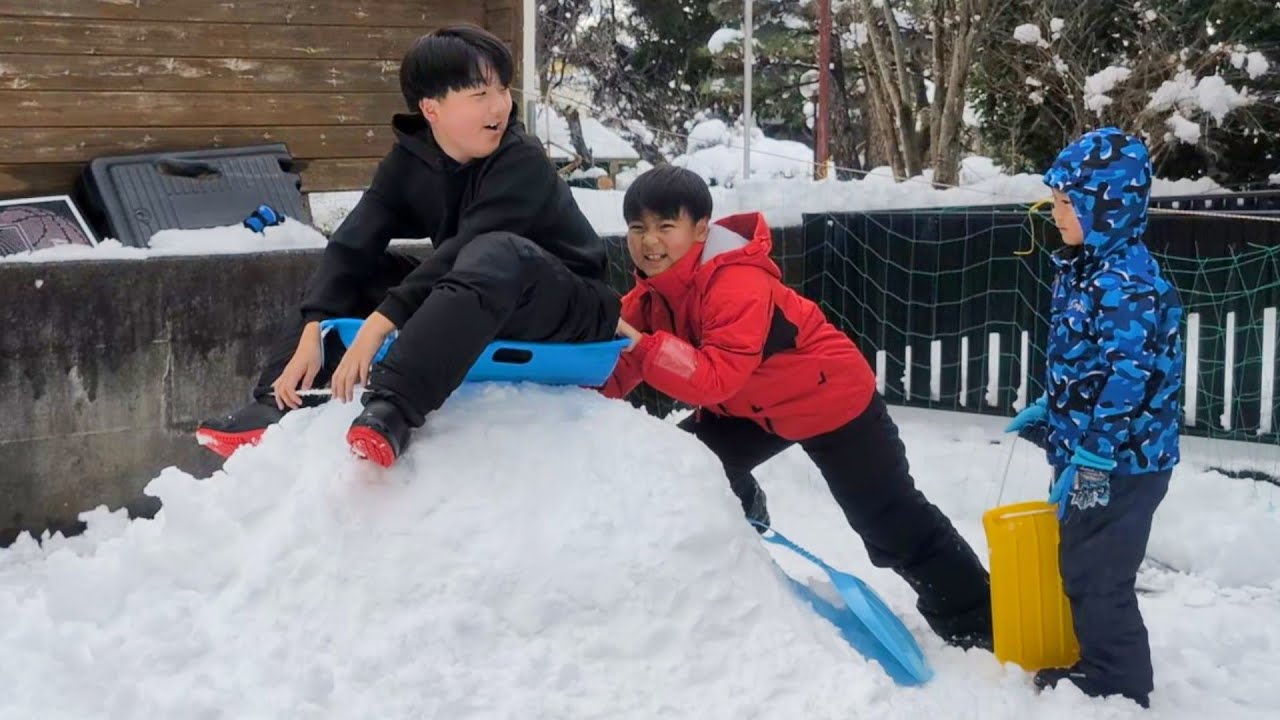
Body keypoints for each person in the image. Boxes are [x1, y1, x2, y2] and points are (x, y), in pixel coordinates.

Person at [602, 165, 993, 650]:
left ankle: (979, 623)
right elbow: (616, 370)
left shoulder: (735, 283)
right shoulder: (651, 297)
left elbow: (712, 377)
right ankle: (744, 521)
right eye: (637, 228)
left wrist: (640, 345)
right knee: (688, 465)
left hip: (830, 401)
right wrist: (560, 401)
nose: (649, 242)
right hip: (750, 409)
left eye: (665, 226)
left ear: (700, 229)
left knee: (888, 522)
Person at [196, 24, 619, 467]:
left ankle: (392, 409)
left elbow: (467, 247)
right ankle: (275, 401)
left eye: (502, 89)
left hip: (566, 303)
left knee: (493, 250)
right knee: (366, 269)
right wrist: (314, 326)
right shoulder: (409, 161)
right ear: (431, 109)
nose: (500, 106)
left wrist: (382, 322)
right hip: (473, 297)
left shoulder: (521, 160)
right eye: (480, 94)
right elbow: (352, 244)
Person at [1005, 127, 1183, 708]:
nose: (1054, 213)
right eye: (1055, 200)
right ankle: (1098, 658)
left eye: (1066, 202)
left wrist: (1096, 451)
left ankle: (1118, 680)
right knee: (1081, 558)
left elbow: (1128, 377)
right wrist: (1053, 410)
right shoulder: (1083, 267)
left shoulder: (1124, 280)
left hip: (1124, 459)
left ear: (1105, 205)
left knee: (1099, 571)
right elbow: (1087, 363)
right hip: (1092, 450)